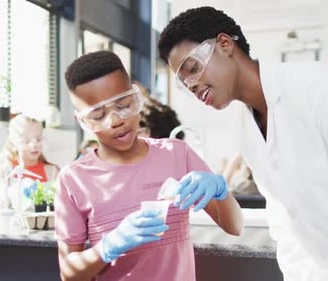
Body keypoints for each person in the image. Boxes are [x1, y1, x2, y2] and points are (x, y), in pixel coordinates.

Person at [158, 6, 328, 281]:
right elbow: (286, 223)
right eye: (184, 84)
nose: (192, 85)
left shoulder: (321, 89)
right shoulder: (245, 125)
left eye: (192, 68)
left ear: (225, 44)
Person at [55, 50, 243, 281]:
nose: (116, 121)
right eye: (98, 115)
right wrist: (108, 247)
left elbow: (235, 226)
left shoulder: (176, 154)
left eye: (124, 105)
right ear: (83, 122)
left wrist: (220, 190)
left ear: (136, 98)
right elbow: (69, 274)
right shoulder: (74, 179)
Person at [0, 113, 60, 210]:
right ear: (13, 141)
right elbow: (0, 202)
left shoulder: (52, 172)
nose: (34, 145)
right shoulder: (4, 169)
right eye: (26, 141)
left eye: (38, 139)